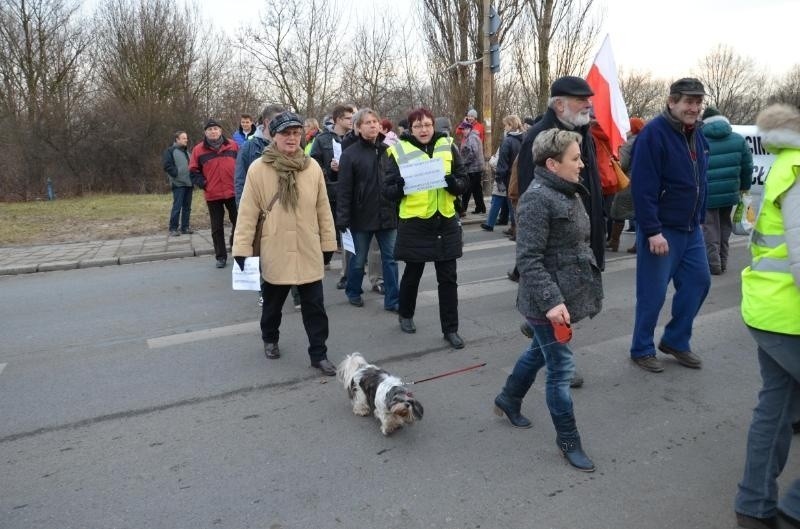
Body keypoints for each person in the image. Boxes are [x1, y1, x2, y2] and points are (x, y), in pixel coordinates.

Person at [493, 129, 603, 472]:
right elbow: (528, 260)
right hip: (546, 302)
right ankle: (568, 439)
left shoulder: (566, 191)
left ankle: (509, 398)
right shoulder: (538, 199)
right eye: (575, 158)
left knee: (539, 352)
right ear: (553, 164)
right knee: (559, 370)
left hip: (563, 295)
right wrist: (553, 302)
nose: (582, 164)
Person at [733, 103, 800, 529]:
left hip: (770, 307)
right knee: (775, 409)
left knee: (775, 409)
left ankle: (754, 506)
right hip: (787, 314)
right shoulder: (796, 168)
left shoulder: (783, 164)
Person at [232, 111, 338, 376]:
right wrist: (242, 249)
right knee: (272, 304)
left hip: (307, 246)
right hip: (275, 247)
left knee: (315, 307)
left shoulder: (311, 166)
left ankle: (319, 353)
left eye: (296, 133)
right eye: (285, 133)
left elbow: (323, 208)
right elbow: (247, 212)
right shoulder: (259, 168)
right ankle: (270, 338)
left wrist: (328, 243)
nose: (292, 138)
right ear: (274, 136)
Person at [628, 78, 711, 373]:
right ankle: (641, 348)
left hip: (691, 229)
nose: (694, 107)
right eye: (688, 101)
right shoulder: (653, 134)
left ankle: (675, 340)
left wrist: (699, 219)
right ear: (672, 102)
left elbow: (701, 181)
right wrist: (652, 230)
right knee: (652, 293)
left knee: (700, 282)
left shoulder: (697, 134)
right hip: (662, 229)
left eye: (698, 102)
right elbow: (643, 188)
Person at [382, 107, 469, 349]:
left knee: (448, 279)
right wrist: (398, 187)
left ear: (434, 126)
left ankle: (451, 329)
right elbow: (387, 190)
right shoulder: (398, 151)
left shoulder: (448, 146)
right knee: (413, 274)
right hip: (415, 222)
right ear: (411, 129)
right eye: (418, 126)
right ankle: (406, 314)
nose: (423, 130)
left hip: (445, 220)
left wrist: (455, 184)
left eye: (427, 125)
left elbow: (464, 181)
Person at [511, 76, 605, 280]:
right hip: (557, 260)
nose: (588, 104)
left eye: (588, 99)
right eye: (581, 100)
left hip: (582, 250)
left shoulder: (584, 133)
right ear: (560, 104)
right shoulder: (539, 136)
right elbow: (531, 197)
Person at [233, 104, 301, 310]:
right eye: (278, 123)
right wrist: (244, 213)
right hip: (265, 216)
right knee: (266, 258)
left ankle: (297, 294)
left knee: (294, 252)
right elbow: (240, 181)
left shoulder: (293, 147)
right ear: (266, 123)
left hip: (290, 212)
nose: (285, 128)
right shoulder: (250, 148)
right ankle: (266, 294)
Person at [336, 108, 399, 311]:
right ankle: (353, 291)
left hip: (387, 214)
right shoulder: (349, 154)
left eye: (375, 122)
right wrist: (343, 219)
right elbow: (344, 190)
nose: (373, 125)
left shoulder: (389, 149)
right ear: (358, 127)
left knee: (390, 260)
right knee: (358, 259)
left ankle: (393, 300)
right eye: (367, 122)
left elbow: (397, 178)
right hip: (361, 217)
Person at [701, 106, 753, 275]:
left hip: (707, 193)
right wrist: (744, 188)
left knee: (710, 228)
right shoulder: (738, 140)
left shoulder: (698, 139)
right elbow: (747, 168)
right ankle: (723, 261)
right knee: (724, 226)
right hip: (730, 192)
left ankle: (713, 264)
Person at [311, 104, 355, 289]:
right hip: (330, 192)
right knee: (327, 232)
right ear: (337, 120)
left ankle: (347, 275)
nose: (351, 121)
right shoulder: (322, 139)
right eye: (348, 118)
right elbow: (314, 164)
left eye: (353, 117)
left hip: (352, 192)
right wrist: (329, 169)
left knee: (348, 236)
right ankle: (321, 263)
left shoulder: (355, 138)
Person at [189, 118, 239, 268]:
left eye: (216, 129)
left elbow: (242, 166)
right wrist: (205, 184)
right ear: (205, 132)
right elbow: (193, 172)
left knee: (239, 224)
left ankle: (237, 250)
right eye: (210, 129)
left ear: (220, 130)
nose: (213, 131)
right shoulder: (198, 150)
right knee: (216, 227)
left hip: (233, 192)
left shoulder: (233, 145)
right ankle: (221, 257)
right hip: (213, 194)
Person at [608, 117, 646, 254]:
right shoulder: (647, 140)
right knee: (640, 214)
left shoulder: (629, 142)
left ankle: (614, 241)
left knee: (618, 211)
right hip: (644, 181)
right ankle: (639, 244)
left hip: (629, 181)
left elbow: (622, 163)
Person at [482, 115, 524, 232]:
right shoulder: (525, 138)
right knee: (515, 203)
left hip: (509, 177)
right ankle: (515, 227)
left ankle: (516, 229)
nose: (504, 128)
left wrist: (499, 178)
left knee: (511, 203)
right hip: (521, 176)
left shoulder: (507, 141)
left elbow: (502, 163)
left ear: (510, 125)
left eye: (505, 125)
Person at [162, 130, 194, 236]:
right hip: (178, 184)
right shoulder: (170, 151)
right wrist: (176, 174)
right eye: (184, 138)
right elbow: (167, 166)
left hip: (189, 184)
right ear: (177, 139)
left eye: (186, 138)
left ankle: (185, 227)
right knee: (177, 206)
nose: (186, 140)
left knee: (187, 207)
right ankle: (173, 228)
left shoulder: (187, 152)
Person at [458, 120, 486, 214]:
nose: (463, 131)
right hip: (476, 168)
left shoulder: (472, 138)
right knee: (476, 189)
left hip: (473, 168)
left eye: (464, 129)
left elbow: (473, 152)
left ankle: (462, 209)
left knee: (467, 189)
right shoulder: (471, 137)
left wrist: (464, 162)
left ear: (469, 129)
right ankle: (481, 208)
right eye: (462, 129)